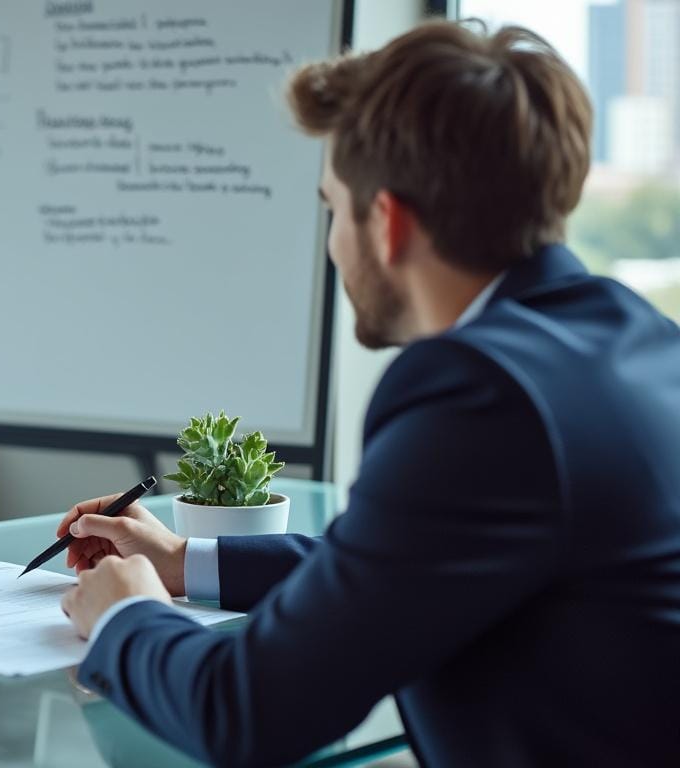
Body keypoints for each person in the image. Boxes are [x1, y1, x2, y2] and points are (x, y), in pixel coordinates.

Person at [56, 21, 680, 767]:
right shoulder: (637, 337)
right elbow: (399, 561)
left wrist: (125, 616)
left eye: (332, 208)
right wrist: (182, 560)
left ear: (386, 222)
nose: (332, 244)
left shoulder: (481, 393)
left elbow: (249, 711)